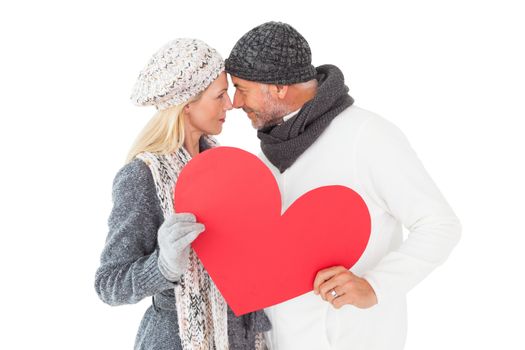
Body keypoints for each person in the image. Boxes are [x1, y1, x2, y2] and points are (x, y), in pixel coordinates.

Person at [224, 22, 462, 350]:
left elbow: (440, 225)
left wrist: (375, 286)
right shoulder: (269, 153)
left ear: (278, 87)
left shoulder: (367, 137)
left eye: (242, 88)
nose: (235, 102)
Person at [94, 38, 270, 350]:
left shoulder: (226, 168)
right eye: (219, 95)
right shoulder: (142, 176)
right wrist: (164, 266)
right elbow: (109, 283)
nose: (229, 104)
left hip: (242, 339)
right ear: (187, 104)